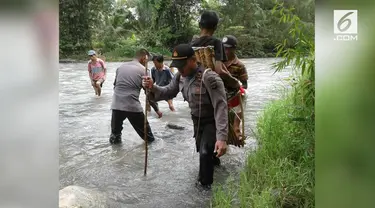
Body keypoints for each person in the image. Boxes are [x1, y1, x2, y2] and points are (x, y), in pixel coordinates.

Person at [142, 44, 228, 188]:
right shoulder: (179, 77)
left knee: (205, 152)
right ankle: (217, 168)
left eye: (182, 65)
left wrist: (222, 138)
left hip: (212, 120)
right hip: (196, 120)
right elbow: (168, 92)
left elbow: (221, 107)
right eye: (177, 66)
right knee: (204, 151)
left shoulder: (209, 78)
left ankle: (204, 190)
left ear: (193, 60)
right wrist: (152, 86)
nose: (180, 69)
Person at [109, 48, 155, 144]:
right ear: (143, 58)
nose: (147, 63)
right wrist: (156, 108)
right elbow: (148, 91)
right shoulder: (144, 70)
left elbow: (115, 86)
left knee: (115, 136)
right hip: (132, 106)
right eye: (147, 61)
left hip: (116, 105)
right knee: (149, 139)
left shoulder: (120, 67)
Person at [190, 10, 240, 92]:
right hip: (213, 87)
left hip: (196, 88)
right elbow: (219, 70)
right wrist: (234, 82)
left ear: (200, 25)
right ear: (215, 27)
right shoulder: (216, 42)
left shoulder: (191, 45)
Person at [222, 35, 248, 141]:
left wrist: (237, 86)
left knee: (244, 94)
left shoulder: (240, 65)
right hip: (219, 92)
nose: (225, 51)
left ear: (234, 48)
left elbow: (245, 84)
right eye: (223, 48)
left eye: (228, 48)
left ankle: (237, 127)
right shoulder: (218, 61)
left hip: (233, 93)